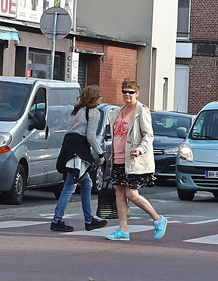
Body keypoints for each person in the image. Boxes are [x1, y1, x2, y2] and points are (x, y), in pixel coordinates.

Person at [105, 79, 166, 241]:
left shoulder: (141, 111)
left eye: (131, 92)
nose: (127, 95)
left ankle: (158, 219)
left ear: (137, 94)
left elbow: (148, 135)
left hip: (133, 159)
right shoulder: (117, 111)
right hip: (118, 157)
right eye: (125, 91)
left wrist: (140, 149)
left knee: (131, 193)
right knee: (119, 193)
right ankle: (123, 230)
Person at [50, 84, 107, 232]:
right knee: (70, 185)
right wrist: (101, 154)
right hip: (79, 151)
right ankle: (57, 220)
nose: (102, 97)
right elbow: (91, 136)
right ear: (94, 99)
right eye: (100, 95)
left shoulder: (77, 110)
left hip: (68, 147)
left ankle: (89, 219)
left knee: (86, 183)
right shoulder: (94, 113)